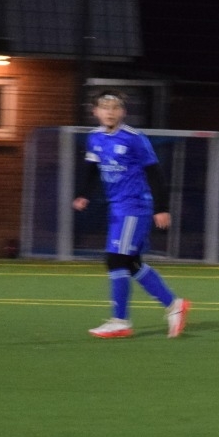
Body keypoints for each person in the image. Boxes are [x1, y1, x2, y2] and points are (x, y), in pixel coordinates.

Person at [72, 89, 190, 339]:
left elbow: (155, 173)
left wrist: (161, 207)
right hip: (117, 207)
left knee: (115, 260)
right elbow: (92, 168)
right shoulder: (94, 138)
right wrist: (83, 194)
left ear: (123, 112)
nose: (110, 112)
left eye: (115, 108)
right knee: (132, 263)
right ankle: (174, 305)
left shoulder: (134, 138)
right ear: (95, 112)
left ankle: (120, 321)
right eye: (105, 108)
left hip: (134, 206)